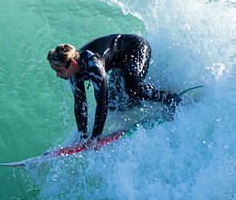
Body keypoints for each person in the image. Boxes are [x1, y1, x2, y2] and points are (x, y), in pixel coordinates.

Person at [47, 34, 178, 141]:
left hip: (136, 48)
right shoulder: (74, 73)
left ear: (73, 63)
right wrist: (83, 136)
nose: (58, 75)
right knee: (115, 104)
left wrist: (95, 138)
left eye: (59, 70)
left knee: (134, 89)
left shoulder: (94, 64)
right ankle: (140, 107)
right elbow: (80, 104)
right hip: (118, 61)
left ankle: (172, 99)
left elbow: (102, 102)